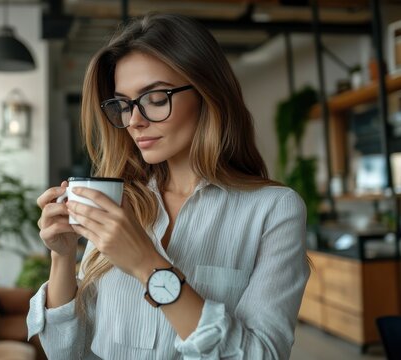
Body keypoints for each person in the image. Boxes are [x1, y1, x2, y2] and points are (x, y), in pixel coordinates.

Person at [27, 13, 309, 360]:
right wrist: (62, 254)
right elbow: (66, 352)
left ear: (208, 93)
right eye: (124, 105)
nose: (135, 120)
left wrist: (146, 264)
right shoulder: (119, 201)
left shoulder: (273, 209)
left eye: (156, 98)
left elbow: (261, 355)